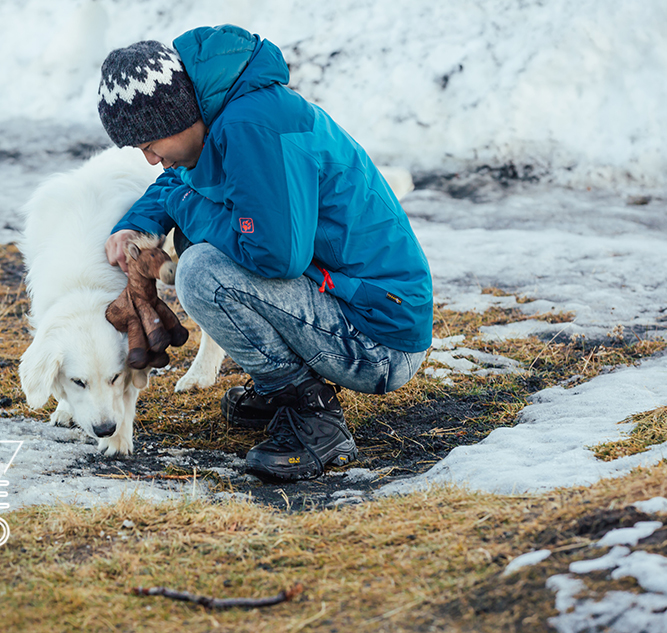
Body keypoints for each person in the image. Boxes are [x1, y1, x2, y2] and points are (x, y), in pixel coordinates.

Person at [97, 24, 433, 482]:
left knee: (201, 271)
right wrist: (135, 225)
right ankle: (285, 388)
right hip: (360, 309)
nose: (150, 160)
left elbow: (275, 257)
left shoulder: (251, 126)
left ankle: (310, 414)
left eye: (150, 145)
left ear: (174, 118)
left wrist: (182, 207)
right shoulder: (224, 118)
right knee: (204, 242)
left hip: (379, 341)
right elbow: (179, 183)